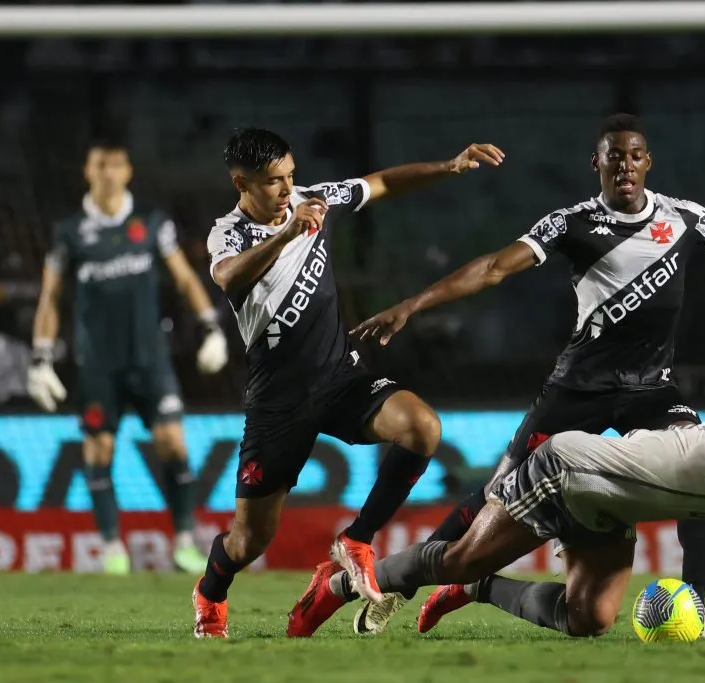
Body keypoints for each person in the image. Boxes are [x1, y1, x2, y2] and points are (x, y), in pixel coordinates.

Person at [347, 113, 705, 637]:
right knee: (495, 493)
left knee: (698, 477)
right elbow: (492, 268)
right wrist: (413, 305)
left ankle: (694, 605)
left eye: (634, 155)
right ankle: (413, 585)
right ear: (596, 163)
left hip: (651, 389)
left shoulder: (684, 218)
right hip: (578, 387)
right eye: (613, 155)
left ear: (648, 163)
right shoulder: (570, 223)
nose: (625, 164)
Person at [191, 128, 506, 638]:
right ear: (240, 183)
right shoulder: (229, 233)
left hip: (339, 376)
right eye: (273, 182)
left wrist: (448, 166)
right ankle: (210, 592)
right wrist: (289, 232)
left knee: (422, 427)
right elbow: (227, 277)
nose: (287, 189)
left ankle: (356, 539)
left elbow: (379, 183)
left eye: (290, 176)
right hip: (279, 402)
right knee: (249, 541)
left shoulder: (313, 201)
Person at [289, 402, 705, 645]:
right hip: (568, 470)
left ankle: (482, 590)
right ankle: (336, 583)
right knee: (460, 556)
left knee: (591, 619)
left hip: (609, 507)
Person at [28, 138, 230, 575]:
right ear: (88, 170)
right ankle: (111, 549)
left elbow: (183, 277)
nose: (108, 173)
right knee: (98, 451)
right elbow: (51, 296)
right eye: (100, 164)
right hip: (98, 365)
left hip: (150, 360)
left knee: (172, 444)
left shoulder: (151, 223)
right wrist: (40, 357)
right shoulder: (69, 232)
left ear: (127, 171)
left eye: (115, 164)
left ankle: (182, 541)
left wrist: (211, 325)